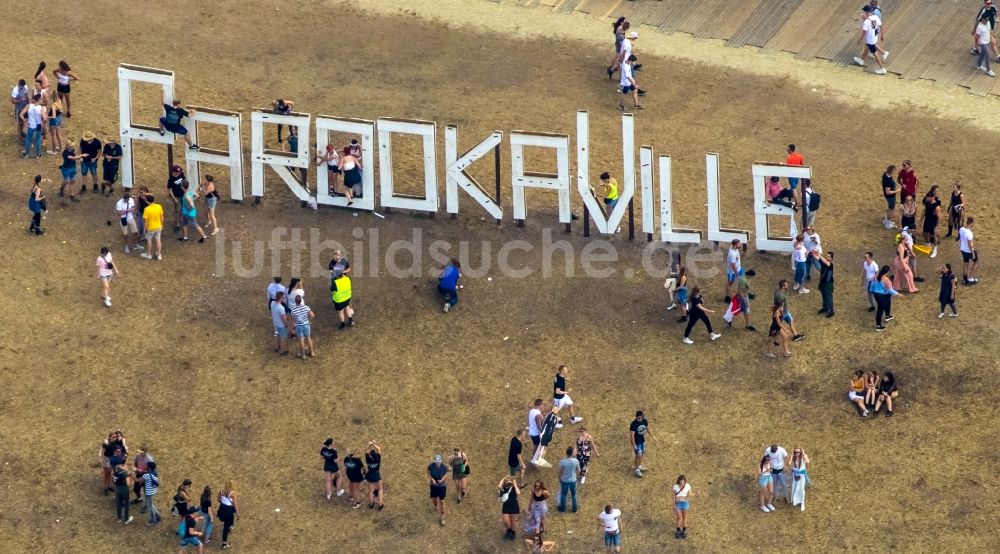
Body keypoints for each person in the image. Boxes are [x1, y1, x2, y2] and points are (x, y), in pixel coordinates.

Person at [854, 6, 888, 74]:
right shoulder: (876, 17)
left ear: (866, 12)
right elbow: (881, 26)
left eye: (864, 11)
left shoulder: (866, 21)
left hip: (870, 40)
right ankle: (861, 60)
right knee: (867, 47)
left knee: (875, 53)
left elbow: (864, 32)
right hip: (874, 37)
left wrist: (860, 40)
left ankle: (882, 68)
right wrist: (882, 35)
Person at [871, 265, 901, 331]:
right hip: (882, 295)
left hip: (878, 294)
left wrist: (872, 290)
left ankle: (888, 315)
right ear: (887, 272)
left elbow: (873, 284)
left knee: (887, 303)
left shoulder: (877, 276)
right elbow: (890, 290)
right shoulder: (886, 279)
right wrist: (899, 294)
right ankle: (878, 326)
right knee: (880, 310)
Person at [20, 93, 46, 158]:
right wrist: (43, 124)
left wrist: (24, 121)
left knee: (28, 139)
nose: (42, 100)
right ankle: (38, 154)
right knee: (38, 139)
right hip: (38, 125)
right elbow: (45, 118)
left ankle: (26, 153)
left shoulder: (29, 106)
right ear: (39, 100)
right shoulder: (41, 108)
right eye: (41, 99)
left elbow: (21, 114)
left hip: (31, 125)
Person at [139, 194, 164, 260]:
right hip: (158, 226)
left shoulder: (146, 209)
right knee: (158, 241)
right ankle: (158, 255)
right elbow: (161, 217)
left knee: (149, 241)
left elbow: (146, 221)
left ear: (147, 201)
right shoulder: (159, 206)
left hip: (150, 228)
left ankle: (148, 254)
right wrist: (162, 224)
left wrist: (144, 229)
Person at [921, 185, 943, 258]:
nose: (927, 198)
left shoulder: (937, 206)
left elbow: (939, 217)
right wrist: (921, 220)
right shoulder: (927, 203)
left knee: (934, 235)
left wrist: (937, 226)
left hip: (933, 221)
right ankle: (928, 244)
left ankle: (935, 249)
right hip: (927, 220)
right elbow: (924, 211)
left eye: (928, 197)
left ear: (932, 197)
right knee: (924, 233)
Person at [557, 446, 580, 513]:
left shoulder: (562, 462)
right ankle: (574, 509)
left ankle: (563, 509)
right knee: (574, 494)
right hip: (573, 480)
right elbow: (578, 470)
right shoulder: (576, 461)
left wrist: (559, 479)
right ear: (572, 453)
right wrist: (576, 476)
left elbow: (560, 472)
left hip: (564, 480)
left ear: (566, 453)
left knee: (563, 494)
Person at [217, 480, 239, 549]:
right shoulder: (233, 493)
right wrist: (238, 513)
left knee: (230, 519)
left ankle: (231, 526)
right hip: (228, 511)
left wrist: (224, 502)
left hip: (222, 509)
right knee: (226, 527)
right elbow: (234, 504)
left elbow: (218, 500)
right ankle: (224, 544)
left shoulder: (221, 491)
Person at [629, 410, 651, 478]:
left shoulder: (644, 421)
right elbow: (632, 435)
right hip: (637, 443)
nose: (639, 419)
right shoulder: (633, 424)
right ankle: (637, 469)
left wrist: (652, 435)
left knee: (642, 454)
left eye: (640, 418)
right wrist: (634, 444)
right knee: (638, 455)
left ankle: (639, 465)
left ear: (642, 417)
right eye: (638, 418)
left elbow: (647, 428)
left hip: (642, 441)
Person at [115, 189, 139, 254]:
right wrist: (128, 210)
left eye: (127, 200)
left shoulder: (131, 200)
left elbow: (133, 207)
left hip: (130, 218)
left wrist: (133, 209)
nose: (126, 201)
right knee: (125, 234)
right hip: (123, 219)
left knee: (135, 232)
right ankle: (126, 246)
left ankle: (135, 244)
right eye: (125, 200)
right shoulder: (119, 203)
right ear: (123, 198)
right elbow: (119, 213)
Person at [428, 453, 448, 526]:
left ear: (441, 461)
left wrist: (442, 479)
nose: (437, 463)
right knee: (434, 499)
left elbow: (446, 474)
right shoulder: (431, 466)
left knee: (442, 501)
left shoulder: (444, 467)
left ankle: (442, 517)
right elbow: (428, 473)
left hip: (442, 486)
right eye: (436, 462)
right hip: (433, 485)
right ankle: (436, 506)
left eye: (438, 462)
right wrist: (432, 479)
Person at [498, 476, 521, 541]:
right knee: (506, 521)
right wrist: (504, 478)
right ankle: (508, 530)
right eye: (507, 482)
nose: (508, 482)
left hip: (514, 508)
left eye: (509, 481)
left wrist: (514, 482)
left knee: (514, 522)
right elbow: (499, 486)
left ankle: (513, 532)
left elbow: (518, 492)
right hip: (506, 508)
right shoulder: (503, 489)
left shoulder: (514, 488)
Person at [365, 441, 384, 510]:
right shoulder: (378, 459)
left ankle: (371, 503)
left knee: (371, 491)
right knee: (380, 489)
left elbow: (365, 450)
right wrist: (374, 444)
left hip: (370, 474)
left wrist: (369, 445)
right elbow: (379, 449)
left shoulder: (368, 459)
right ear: (375, 454)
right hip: (376, 474)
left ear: (370, 455)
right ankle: (380, 504)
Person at [167, 165, 187, 231]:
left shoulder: (181, 174)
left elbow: (184, 180)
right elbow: (170, 190)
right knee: (177, 211)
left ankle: (181, 218)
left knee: (183, 208)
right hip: (176, 197)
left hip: (183, 195)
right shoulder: (171, 179)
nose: (179, 173)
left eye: (179, 172)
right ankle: (177, 223)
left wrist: (185, 191)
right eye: (177, 172)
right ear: (174, 172)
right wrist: (174, 198)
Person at [143, 461, 163, 526]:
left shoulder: (147, 475)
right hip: (153, 491)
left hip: (149, 493)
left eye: (147, 466)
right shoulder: (154, 473)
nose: (145, 466)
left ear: (149, 468)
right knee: (151, 505)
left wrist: (131, 475)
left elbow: (138, 480)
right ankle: (158, 516)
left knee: (150, 507)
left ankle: (153, 521)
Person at [959, 217, 978, 285]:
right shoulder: (969, 233)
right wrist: (972, 253)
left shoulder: (961, 229)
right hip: (968, 251)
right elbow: (970, 245)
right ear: (971, 223)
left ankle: (965, 280)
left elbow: (960, 237)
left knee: (966, 263)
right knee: (976, 262)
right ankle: (971, 278)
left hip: (962, 249)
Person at [816, 251, 836, 317]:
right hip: (822, 283)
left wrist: (819, 255)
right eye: (826, 256)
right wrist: (812, 253)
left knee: (829, 297)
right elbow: (817, 258)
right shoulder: (823, 262)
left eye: (828, 256)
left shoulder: (830, 264)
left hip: (828, 284)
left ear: (831, 259)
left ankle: (831, 311)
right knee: (823, 296)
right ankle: (825, 308)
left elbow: (826, 263)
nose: (827, 257)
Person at [725, 238, 743, 304]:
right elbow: (733, 265)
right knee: (730, 284)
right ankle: (727, 297)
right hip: (732, 272)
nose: (740, 244)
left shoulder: (735, 248)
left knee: (741, 281)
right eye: (739, 243)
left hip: (739, 269)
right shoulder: (732, 253)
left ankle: (739, 294)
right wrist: (737, 274)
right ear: (735, 245)